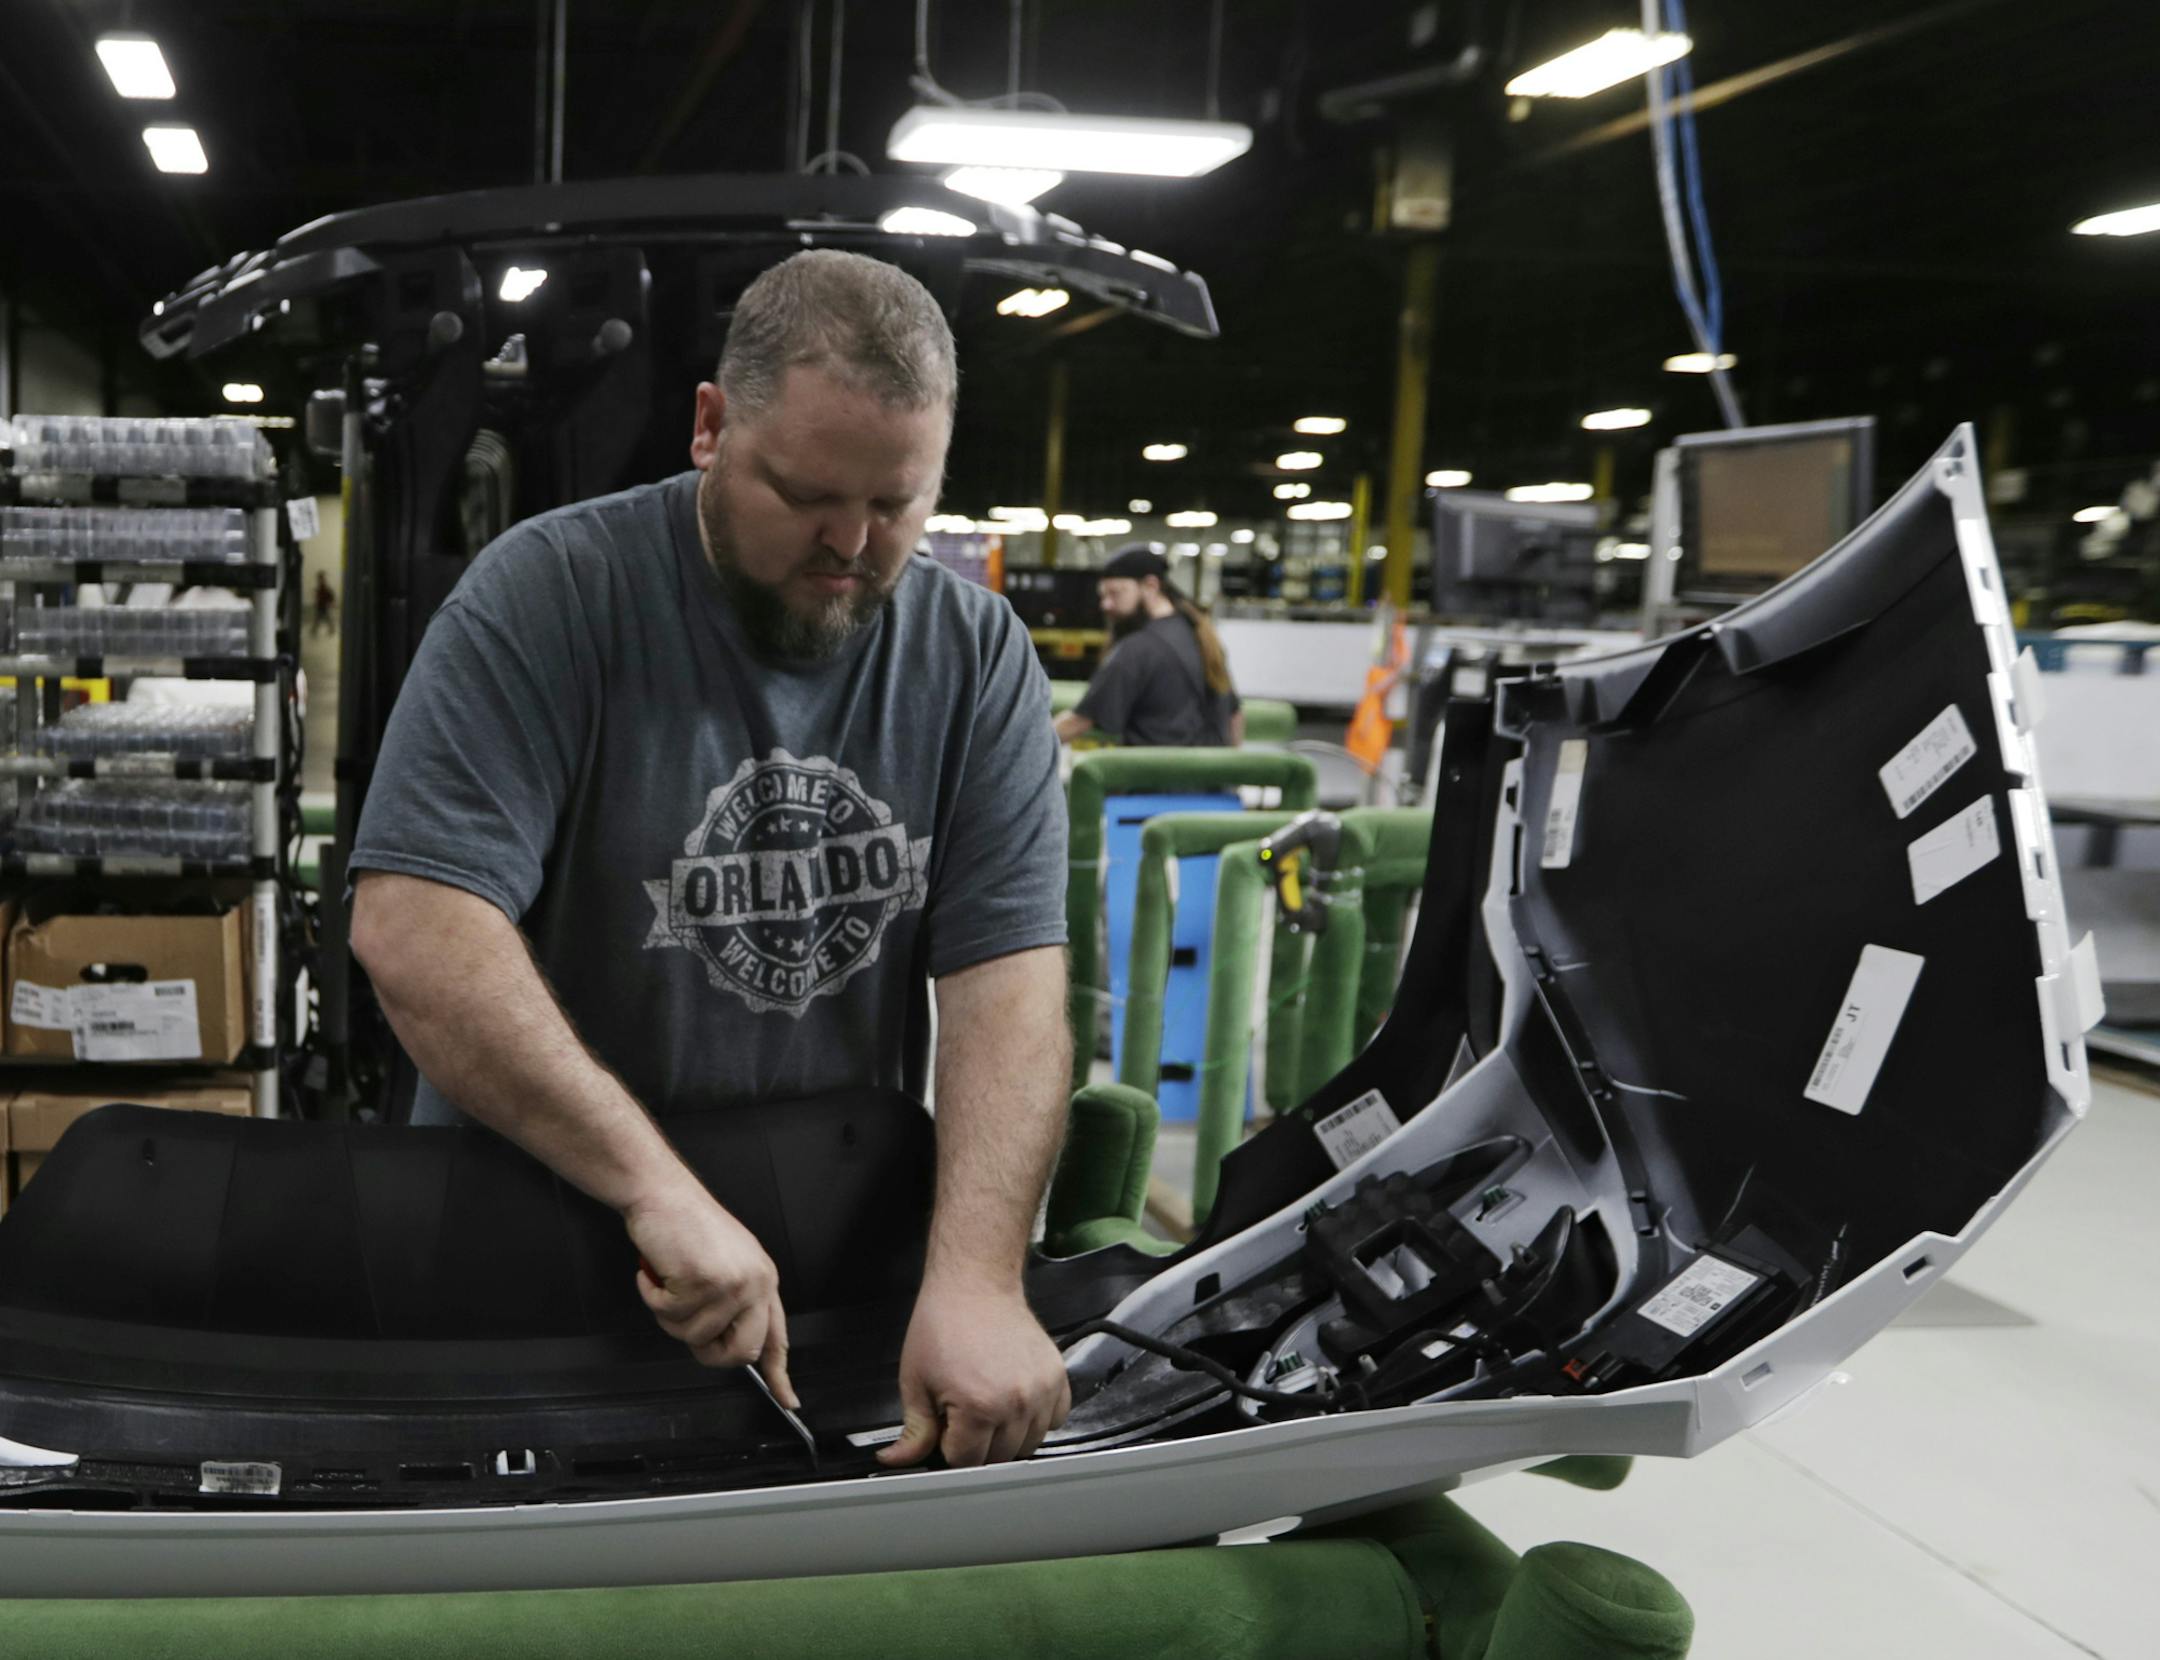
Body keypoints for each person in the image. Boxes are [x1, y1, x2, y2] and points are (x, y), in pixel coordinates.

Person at [346, 249, 1074, 1470]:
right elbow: (415, 926)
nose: (852, 542)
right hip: (535, 1230)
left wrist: (979, 1278)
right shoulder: (548, 597)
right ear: (708, 427)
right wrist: (654, 1187)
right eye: (805, 493)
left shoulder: (974, 653)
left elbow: (1008, 985)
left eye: (899, 504)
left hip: (824, 1257)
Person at [1053, 546, 1243, 747]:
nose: (1105, 605)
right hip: (1211, 776)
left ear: (1151, 586)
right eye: (1103, 595)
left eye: (1116, 593)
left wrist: (1026, 744)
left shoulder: (1137, 649)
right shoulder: (1201, 635)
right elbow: (1235, 717)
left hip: (1154, 776)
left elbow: (1078, 721)